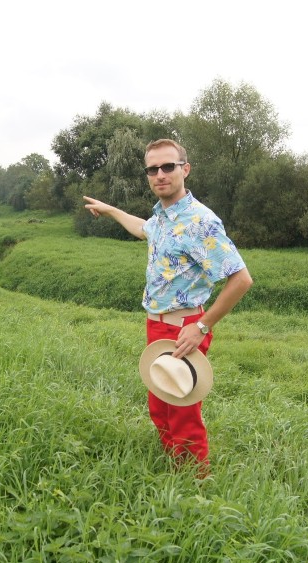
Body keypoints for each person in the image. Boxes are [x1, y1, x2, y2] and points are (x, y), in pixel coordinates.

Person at [83, 138, 252, 473]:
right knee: (159, 406)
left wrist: (202, 326)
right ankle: (172, 473)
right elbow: (142, 229)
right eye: (152, 169)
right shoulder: (162, 217)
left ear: (184, 170)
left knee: (182, 413)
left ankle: (195, 490)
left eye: (168, 167)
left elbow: (241, 279)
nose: (160, 174)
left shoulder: (199, 221)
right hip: (156, 325)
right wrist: (111, 210)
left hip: (184, 329)